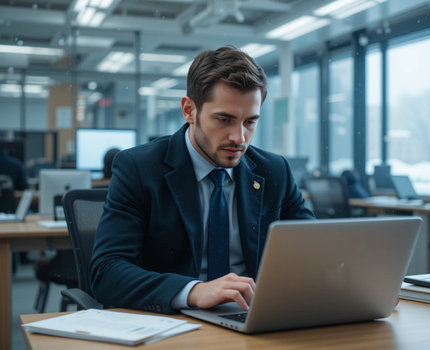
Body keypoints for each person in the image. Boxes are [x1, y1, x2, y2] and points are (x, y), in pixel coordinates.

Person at [90, 46, 315, 315]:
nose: (239, 138)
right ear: (189, 110)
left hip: (254, 317)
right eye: (224, 119)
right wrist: (194, 291)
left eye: (250, 122)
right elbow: (106, 270)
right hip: (174, 322)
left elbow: (313, 251)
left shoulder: (274, 170)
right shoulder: (139, 168)